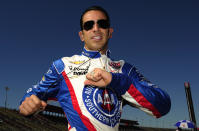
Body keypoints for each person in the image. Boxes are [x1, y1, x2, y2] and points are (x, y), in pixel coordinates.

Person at [19, 5, 171, 131]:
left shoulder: (125, 69)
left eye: (102, 24)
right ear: (82, 35)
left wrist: (116, 81)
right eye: (89, 25)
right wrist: (26, 105)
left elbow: (163, 105)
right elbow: (32, 95)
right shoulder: (63, 66)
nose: (96, 28)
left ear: (110, 32)